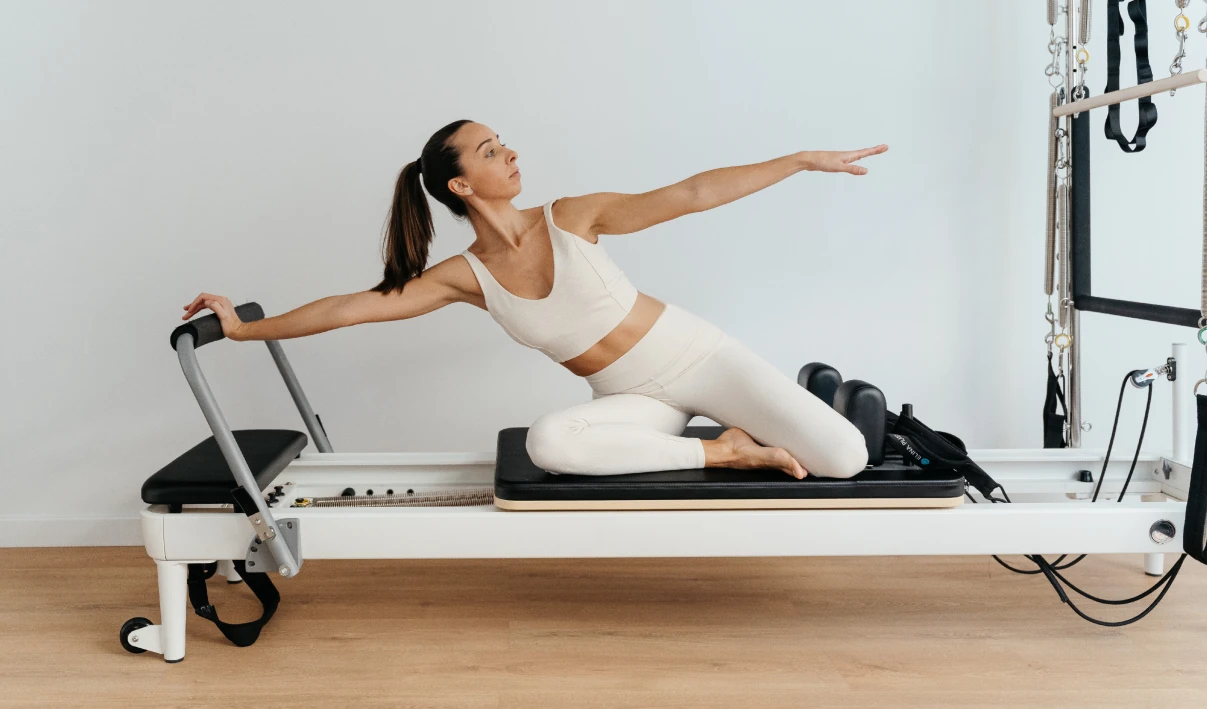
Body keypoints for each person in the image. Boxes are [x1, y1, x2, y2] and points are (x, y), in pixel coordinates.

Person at [182, 120, 887, 479]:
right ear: (459, 185)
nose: (510, 155)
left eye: (504, 144)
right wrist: (245, 330)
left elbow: (692, 194)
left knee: (845, 459)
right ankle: (732, 452)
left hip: (700, 358)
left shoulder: (572, 216)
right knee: (551, 443)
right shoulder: (465, 277)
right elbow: (351, 307)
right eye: (490, 151)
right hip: (638, 399)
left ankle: (818, 405)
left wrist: (799, 161)